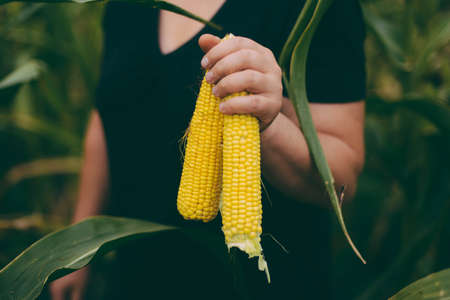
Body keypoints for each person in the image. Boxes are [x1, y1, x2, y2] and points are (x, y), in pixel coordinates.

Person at [50, 0, 366, 299]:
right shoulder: (126, 5)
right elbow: (106, 117)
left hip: (259, 285)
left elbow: (342, 180)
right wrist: (81, 246)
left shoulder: (314, 8)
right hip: (136, 273)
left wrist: (267, 119)